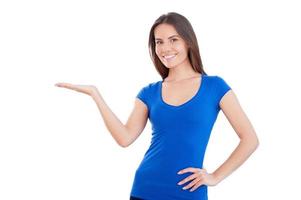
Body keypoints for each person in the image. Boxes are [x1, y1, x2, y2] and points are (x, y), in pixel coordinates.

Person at [55, 12, 259, 200]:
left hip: (189, 193)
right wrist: (95, 94)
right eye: (159, 42)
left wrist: (215, 176)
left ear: (188, 42)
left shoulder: (215, 86)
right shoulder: (149, 92)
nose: (165, 48)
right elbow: (125, 138)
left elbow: (250, 139)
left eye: (173, 40)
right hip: (145, 189)